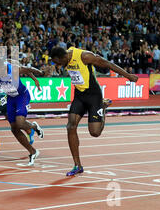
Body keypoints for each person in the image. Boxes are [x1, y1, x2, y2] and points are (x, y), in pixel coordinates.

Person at [50, 46, 139, 176]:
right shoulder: (64, 57)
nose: (58, 65)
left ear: (63, 58)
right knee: (70, 126)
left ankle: (102, 107)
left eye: (58, 63)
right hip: (79, 95)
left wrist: (128, 76)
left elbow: (107, 63)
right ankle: (77, 165)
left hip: (93, 96)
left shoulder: (84, 56)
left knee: (95, 132)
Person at [0, 54, 46, 166]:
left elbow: (28, 69)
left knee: (20, 122)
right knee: (14, 128)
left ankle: (34, 127)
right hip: (10, 98)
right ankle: (33, 152)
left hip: (22, 96)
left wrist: (39, 74)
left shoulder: (12, 69)